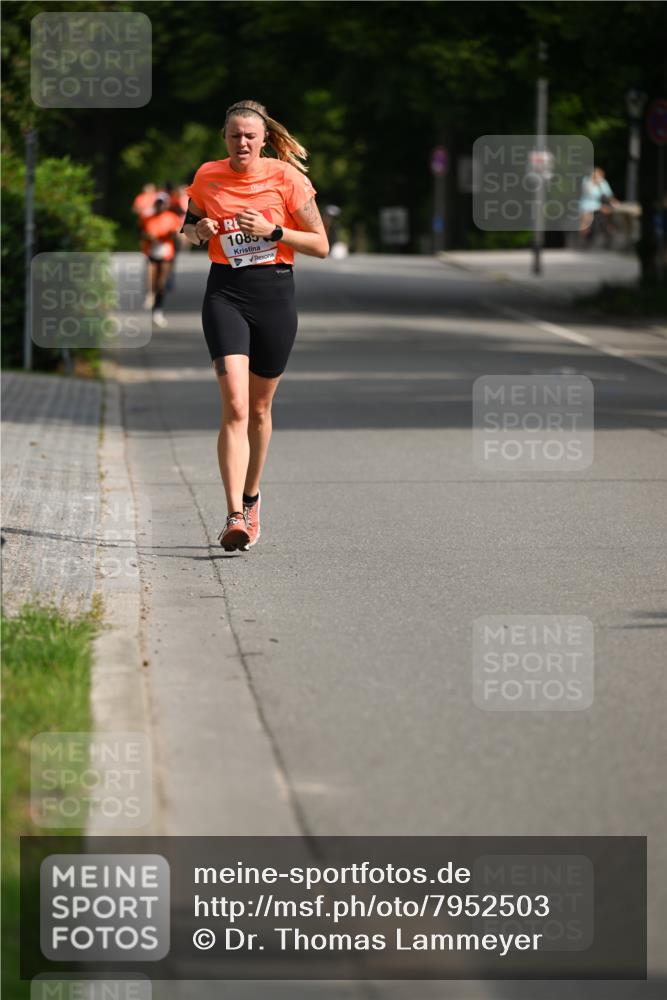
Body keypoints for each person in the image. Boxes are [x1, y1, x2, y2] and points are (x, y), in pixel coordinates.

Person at [182, 99, 329, 551]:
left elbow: (322, 245)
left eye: (250, 136)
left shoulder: (286, 178)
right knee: (236, 407)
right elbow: (188, 229)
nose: (242, 143)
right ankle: (232, 517)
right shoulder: (208, 176)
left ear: (264, 139)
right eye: (234, 136)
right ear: (223, 138)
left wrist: (274, 230)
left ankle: (251, 497)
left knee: (261, 411)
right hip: (225, 292)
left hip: (274, 294)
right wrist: (200, 232)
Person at [140, 196, 182, 327]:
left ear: (166, 205)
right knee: (151, 280)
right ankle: (150, 298)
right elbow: (141, 233)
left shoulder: (171, 217)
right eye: (157, 204)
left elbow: (177, 235)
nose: (160, 206)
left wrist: (172, 234)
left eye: (162, 204)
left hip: (166, 253)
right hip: (151, 252)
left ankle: (158, 311)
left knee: (161, 283)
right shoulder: (147, 218)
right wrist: (148, 237)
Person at [579, 167, 619, 248]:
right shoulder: (586, 181)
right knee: (587, 219)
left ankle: (609, 234)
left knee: (609, 214)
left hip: (598, 205)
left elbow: (609, 195)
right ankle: (584, 238)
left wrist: (614, 202)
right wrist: (596, 183)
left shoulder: (603, 182)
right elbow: (589, 194)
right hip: (587, 204)